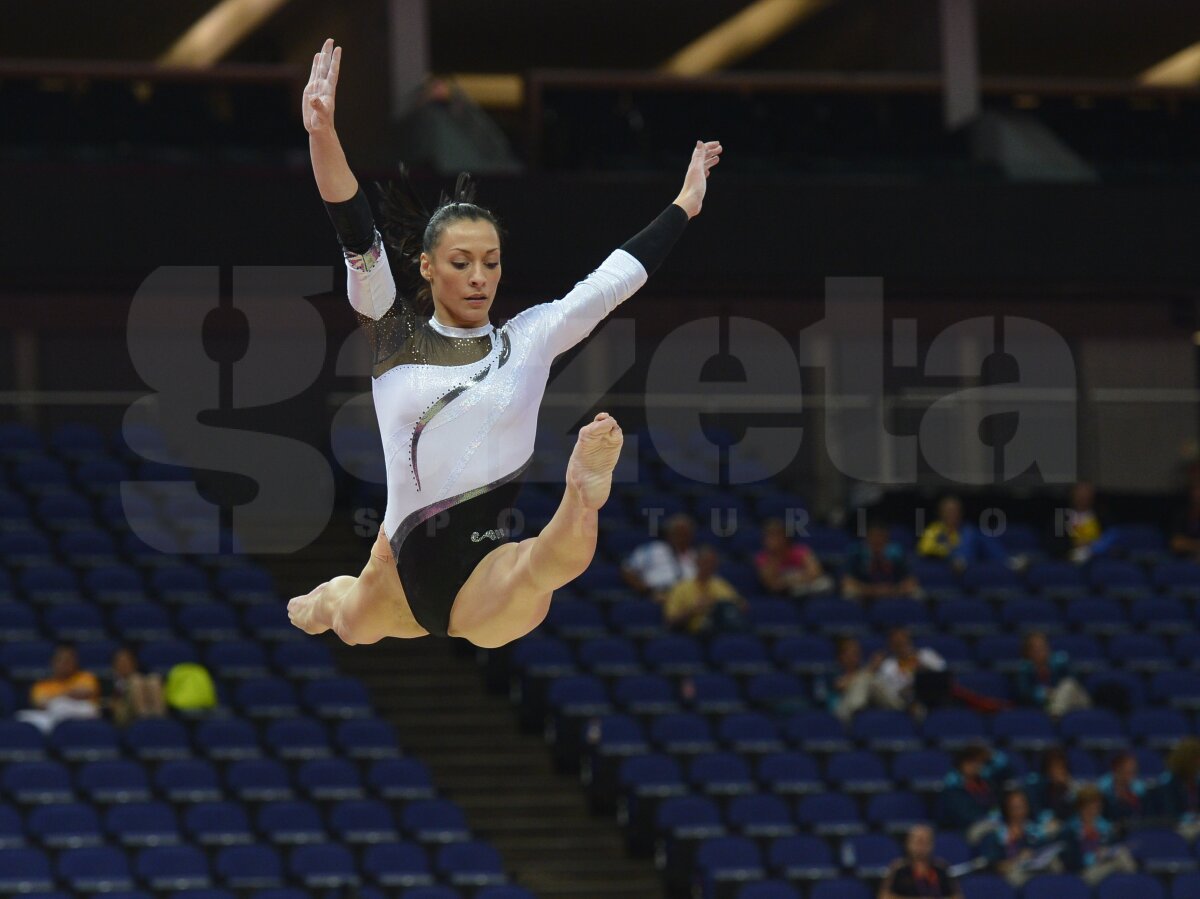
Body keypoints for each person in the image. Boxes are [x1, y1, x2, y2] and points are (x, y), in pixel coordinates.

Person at [287, 39, 722, 649]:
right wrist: (323, 133)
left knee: (544, 568)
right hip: (398, 568)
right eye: (460, 262)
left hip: (485, 573)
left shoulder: (529, 339)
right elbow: (354, 228)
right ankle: (328, 597)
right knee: (350, 623)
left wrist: (683, 206)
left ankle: (582, 491)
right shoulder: (393, 335)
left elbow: (609, 283)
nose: (478, 277)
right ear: (427, 267)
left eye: (490, 262)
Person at [978, 790, 1061, 888]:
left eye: (1023, 806)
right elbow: (993, 863)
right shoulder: (996, 834)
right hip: (1014, 872)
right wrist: (1013, 861)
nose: (1020, 811)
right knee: (1015, 877)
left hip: (1035, 868)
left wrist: (1032, 852)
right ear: (1006, 809)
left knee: (1055, 864)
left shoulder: (1033, 829)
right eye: (1015, 807)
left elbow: (1044, 848)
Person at [917, 495, 1019, 571]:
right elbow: (924, 549)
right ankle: (960, 559)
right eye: (949, 511)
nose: (952, 514)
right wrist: (946, 549)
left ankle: (1009, 562)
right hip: (946, 562)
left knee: (979, 535)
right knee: (970, 535)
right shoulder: (934, 529)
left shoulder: (967, 530)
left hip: (967, 562)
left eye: (955, 511)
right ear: (941, 513)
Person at [662, 545, 746, 634]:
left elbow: (742, 606)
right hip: (692, 634)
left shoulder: (721, 585)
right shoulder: (681, 587)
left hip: (721, 632)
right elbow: (670, 621)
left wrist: (718, 605)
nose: (709, 566)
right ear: (697, 562)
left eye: (713, 563)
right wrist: (693, 610)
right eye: (706, 562)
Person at [1062, 785, 1136, 886]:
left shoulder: (1105, 826)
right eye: (1089, 807)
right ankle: (1135, 885)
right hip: (1084, 871)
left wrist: (1105, 851)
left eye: (1096, 807)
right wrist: (1094, 856)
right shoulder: (1070, 828)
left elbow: (1112, 847)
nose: (1093, 810)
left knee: (1122, 854)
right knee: (1120, 860)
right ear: (1080, 807)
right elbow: (1070, 859)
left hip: (1103, 865)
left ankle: (1132, 886)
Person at [17, 644, 100, 733]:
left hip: (80, 718)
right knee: (21, 716)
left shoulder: (85, 677)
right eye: (60, 660)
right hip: (53, 718)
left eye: (68, 661)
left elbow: (86, 693)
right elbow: (41, 704)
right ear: (53, 662)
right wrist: (66, 695)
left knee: (87, 708)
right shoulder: (42, 684)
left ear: (75, 662)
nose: (64, 664)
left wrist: (56, 697)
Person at [621, 513, 698, 600]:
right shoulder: (652, 549)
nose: (681, 537)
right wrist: (646, 591)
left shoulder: (696, 556)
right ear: (669, 534)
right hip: (656, 595)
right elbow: (627, 570)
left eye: (685, 534)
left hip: (687, 599)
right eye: (678, 533)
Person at [1014, 631, 1091, 718]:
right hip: (1050, 704)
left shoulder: (1060, 662)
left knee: (1068, 684)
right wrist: (1042, 693)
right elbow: (1024, 694)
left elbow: (1075, 681)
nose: (1042, 651)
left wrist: (1055, 692)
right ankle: (1055, 714)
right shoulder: (1026, 670)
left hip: (1076, 699)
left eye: (1043, 646)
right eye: (1036, 648)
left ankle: (1054, 715)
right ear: (1028, 652)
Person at [873, 627, 948, 714]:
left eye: (904, 641)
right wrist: (905, 689)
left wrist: (924, 668)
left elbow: (943, 674)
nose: (902, 646)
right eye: (898, 644)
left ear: (910, 641)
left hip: (930, 695)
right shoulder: (887, 665)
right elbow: (887, 691)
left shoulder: (927, 654)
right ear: (891, 646)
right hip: (903, 700)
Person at [842, 519, 922, 601]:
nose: (877, 540)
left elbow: (910, 579)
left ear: (887, 538)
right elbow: (847, 580)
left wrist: (892, 589)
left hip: (894, 591)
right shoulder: (857, 552)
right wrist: (872, 590)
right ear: (867, 537)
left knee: (916, 591)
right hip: (865, 592)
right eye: (874, 536)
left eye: (881, 536)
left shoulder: (897, 552)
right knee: (849, 590)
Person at [878, 824, 963, 899]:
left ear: (932, 844)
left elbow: (957, 897)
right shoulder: (898, 868)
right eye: (918, 841)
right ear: (908, 844)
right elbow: (883, 897)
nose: (921, 846)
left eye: (925, 842)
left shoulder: (941, 868)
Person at [754, 517, 832, 596]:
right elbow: (771, 583)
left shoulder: (800, 551)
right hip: (780, 595)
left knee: (824, 583)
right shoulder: (762, 557)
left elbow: (815, 572)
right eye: (769, 536)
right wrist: (774, 556)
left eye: (777, 536)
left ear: (786, 538)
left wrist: (790, 580)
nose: (772, 540)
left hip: (806, 589)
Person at [938, 745, 1001, 841]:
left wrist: (992, 755)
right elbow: (962, 815)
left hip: (990, 823)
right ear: (961, 764)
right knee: (992, 835)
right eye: (970, 762)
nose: (975, 766)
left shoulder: (987, 783)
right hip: (966, 829)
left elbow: (1009, 772)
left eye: (978, 762)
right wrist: (986, 819)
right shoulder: (953, 787)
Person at [814, 636, 884, 723]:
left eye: (856, 653)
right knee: (864, 679)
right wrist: (870, 669)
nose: (854, 656)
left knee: (874, 681)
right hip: (839, 712)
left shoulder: (864, 673)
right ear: (840, 655)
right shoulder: (831, 673)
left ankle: (897, 707)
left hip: (864, 710)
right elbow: (840, 685)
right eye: (850, 652)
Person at [1153, 737, 1200, 840]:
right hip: (1177, 829)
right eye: (1197, 760)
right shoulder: (1168, 784)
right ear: (1187, 761)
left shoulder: (1197, 782)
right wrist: (1188, 818)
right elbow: (1170, 814)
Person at [109, 647, 165, 726]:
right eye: (120, 662)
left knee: (154, 680)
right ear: (114, 665)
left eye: (127, 662)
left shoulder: (141, 680)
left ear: (134, 664)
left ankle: (159, 719)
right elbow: (111, 704)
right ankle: (144, 720)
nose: (124, 665)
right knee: (135, 680)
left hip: (147, 707)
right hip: (123, 713)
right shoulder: (111, 681)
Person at [1024, 747, 1080, 823]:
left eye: (1061, 768)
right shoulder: (1037, 789)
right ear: (1047, 770)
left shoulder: (1069, 788)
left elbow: (1074, 814)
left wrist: (1069, 787)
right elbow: (1037, 813)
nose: (1058, 772)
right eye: (1054, 767)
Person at [1097, 751, 1147, 824]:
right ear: (1116, 769)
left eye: (1134, 770)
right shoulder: (1102, 786)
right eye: (1128, 770)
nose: (1132, 774)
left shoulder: (1139, 787)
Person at [1169, 480, 1200, 560]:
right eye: (1196, 490)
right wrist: (1195, 545)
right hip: (1183, 559)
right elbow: (1176, 543)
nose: (1197, 494)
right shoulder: (1181, 514)